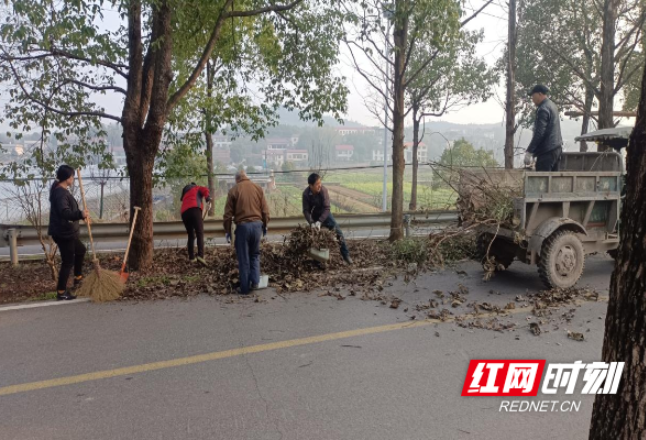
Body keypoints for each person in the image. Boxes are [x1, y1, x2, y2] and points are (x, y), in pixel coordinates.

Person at [223, 170, 270, 295]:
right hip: (257, 226)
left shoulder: (233, 190)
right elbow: (265, 211)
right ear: (246, 177)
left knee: (244, 257)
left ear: (237, 179)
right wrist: (265, 225)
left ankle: (244, 289)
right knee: (255, 254)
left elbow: (227, 215)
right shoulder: (258, 188)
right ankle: (255, 282)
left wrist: (227, 230)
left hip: (243, 227)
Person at [48, 165, 90, 301]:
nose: (73, 178)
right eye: (72, 176)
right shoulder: (60, 193)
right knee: (68, 262)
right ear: (67, 178)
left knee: (81, 250)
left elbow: (67, 211)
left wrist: (81, 216)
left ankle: (78, 278)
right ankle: (61, 292)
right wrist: (80, 213)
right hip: (63, 233)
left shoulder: (61, 190)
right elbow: (65, 213)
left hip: (67, 232)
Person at [302, 173, 353, 265]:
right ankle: (318, 262)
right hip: (313, 218)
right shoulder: (306, 194)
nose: (319, 185)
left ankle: (346, 256)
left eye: (320, 183)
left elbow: (327, 208)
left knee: (338, 233)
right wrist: (312, 222)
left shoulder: (323, 190)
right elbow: (306, 211)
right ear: (311, 185)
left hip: (325, 215)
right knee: (316, 239)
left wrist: (320, 221)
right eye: (317, 184)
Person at [524, 84, 563, 171]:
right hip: (557, 149)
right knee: (553, 181)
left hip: (547, 151)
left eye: (533, 96)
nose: (532, 99)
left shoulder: (543, 109)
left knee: (541, 181)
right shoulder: (552, 105)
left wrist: (530, 151)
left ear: (540, 94)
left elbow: (539, 132)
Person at [180, 182, 211, 266]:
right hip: (194, 209)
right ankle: (200, 256)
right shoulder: (197, 187)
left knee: (191, 235)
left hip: (184, 213)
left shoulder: (185, 192)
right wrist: (208, 199)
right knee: (199, 232)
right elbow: (205, 190)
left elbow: (184, 201)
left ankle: (191, 258)